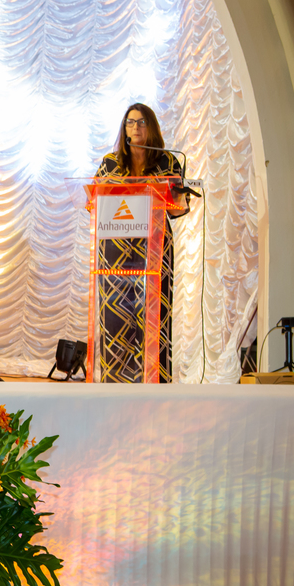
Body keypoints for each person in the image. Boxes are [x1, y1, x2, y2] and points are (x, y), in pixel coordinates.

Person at [94, 102, 189, 383]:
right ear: (124, 129)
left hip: (155, 250)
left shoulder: (167, 162)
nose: (136, 127)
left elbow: (178, 207)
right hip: (115, 252)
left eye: (142, 122)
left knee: (154, 320)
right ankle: (115, 386)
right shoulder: (110, 163)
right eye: (130, 122)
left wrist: (178, 197)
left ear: (152, 128)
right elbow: (93, 200)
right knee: (115, 319)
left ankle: (155, 386)